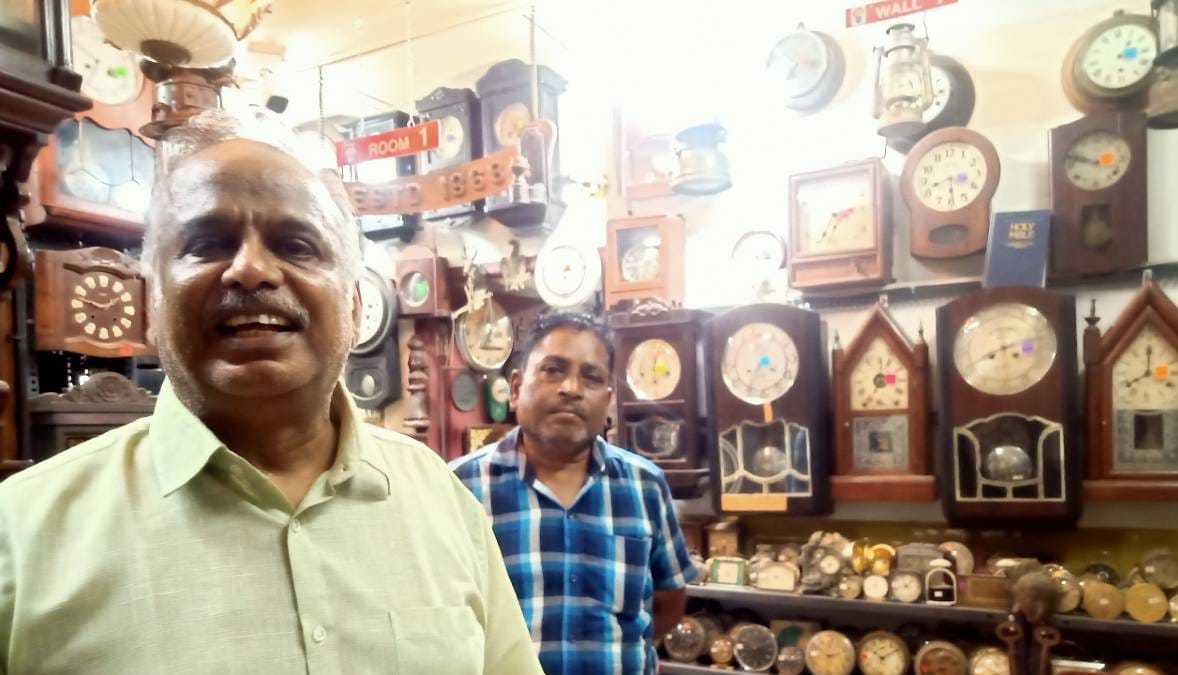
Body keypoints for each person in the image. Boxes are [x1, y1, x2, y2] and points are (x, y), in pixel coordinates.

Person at [0, 118, 542, 675]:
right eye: (207, 244)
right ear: (150, 305)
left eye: (296, 246)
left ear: (354, 307)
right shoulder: (21, 535)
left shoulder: (438, 498)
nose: (251, 270)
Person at [451, 313, 700, 675]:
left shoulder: (644, 486)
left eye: (592, 377)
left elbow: (669, 601)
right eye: (553, 370)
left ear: (608, 401)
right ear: (516, 388)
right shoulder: (459, 487)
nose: (571, 388)